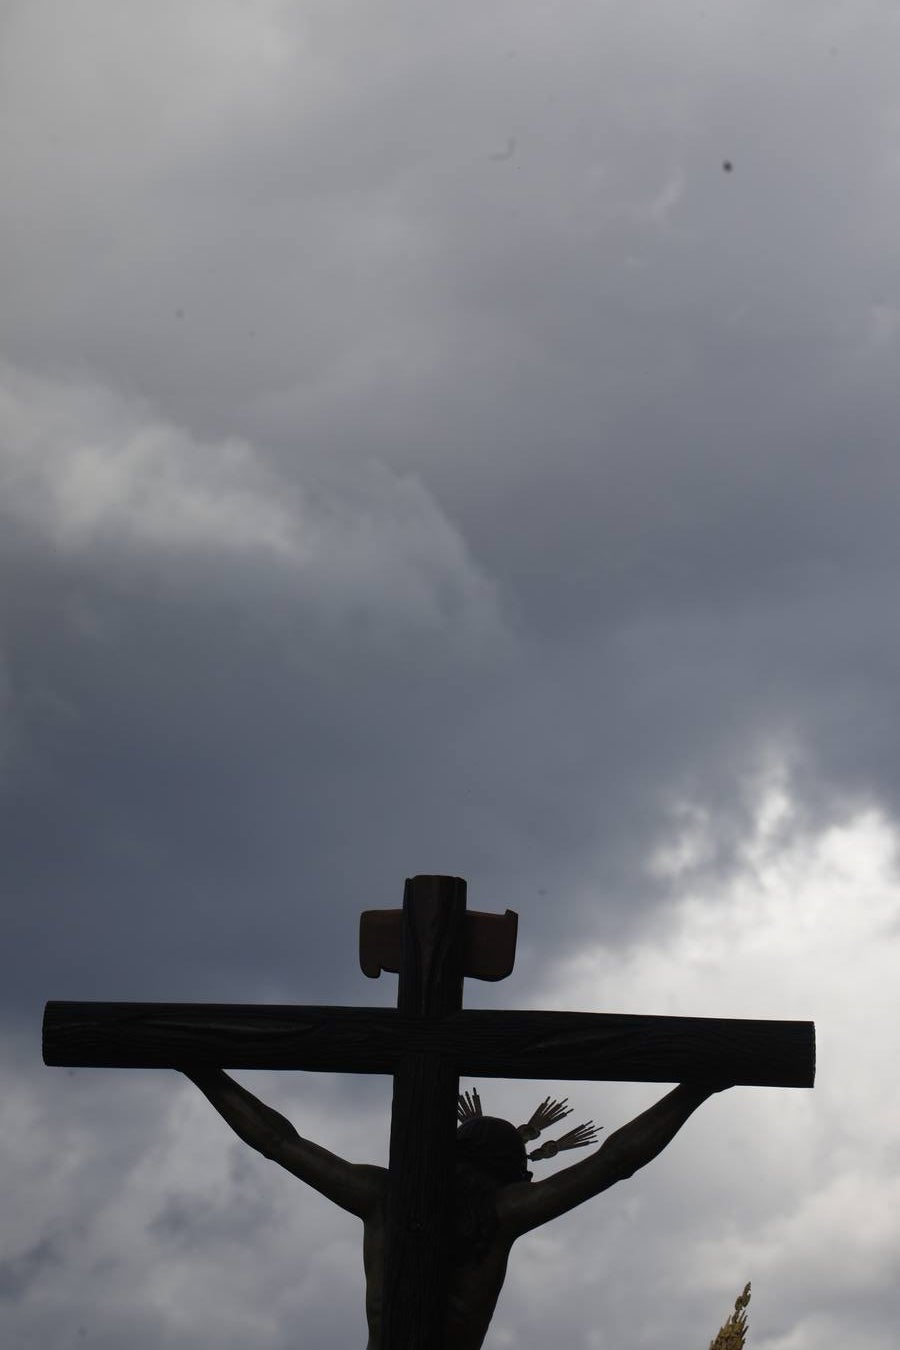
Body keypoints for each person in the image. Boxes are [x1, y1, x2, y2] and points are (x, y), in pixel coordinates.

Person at [182, 1069, 727, 1350]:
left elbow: (278, 1142)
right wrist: (694, 1090)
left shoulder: (382, 1194)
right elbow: (614, 1161)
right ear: (513, 1169)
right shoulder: (506, 1210)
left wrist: (202, 1072)